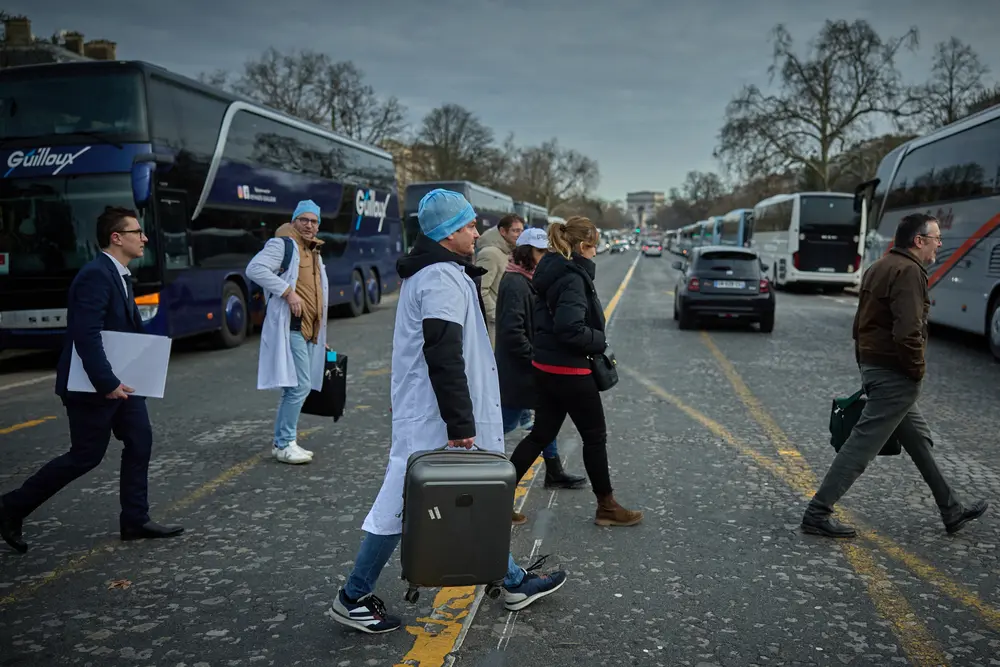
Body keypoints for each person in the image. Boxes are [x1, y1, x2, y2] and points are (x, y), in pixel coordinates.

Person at [330, 189, 566, 634]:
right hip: (437, 417)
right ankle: (352, 595)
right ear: (447, 232)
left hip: (441, 413)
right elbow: (443, 352)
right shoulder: (439, 278)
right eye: (470, 225)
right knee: (404, 505)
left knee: (467, 497)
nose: (478, 231)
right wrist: (460, 423)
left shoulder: (444, 272)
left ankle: (512, 580)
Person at [0, 207, 183, 554]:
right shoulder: (95, 275)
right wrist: (106, 382)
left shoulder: (121, 274)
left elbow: (126, 329)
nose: (144, 238)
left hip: (123, 384)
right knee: (85, 456)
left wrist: (149, 364)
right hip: (94, 387)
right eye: (137, 232)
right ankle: (10, 507)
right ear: (117, 237)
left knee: (139, 440)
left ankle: (135, 519)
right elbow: (86, 333)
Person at [801, 213, 988, 538]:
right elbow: (908, 332)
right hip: (895, 374)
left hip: (877, 366)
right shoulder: (910, 272)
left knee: (920, 441)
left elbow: (861, 323)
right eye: (936, 239)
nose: (939, 245)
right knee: (862, 445)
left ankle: (951, 509)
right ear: (919, 241)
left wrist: (866, 364)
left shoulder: (881, 266)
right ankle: (817, 512)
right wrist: (916, 372)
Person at [508, 217, 643, 528]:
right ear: (582, 247)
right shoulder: (572, 277)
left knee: (541, 434)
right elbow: (570, 329)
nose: (597, 252)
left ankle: (499, 500)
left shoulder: (551, 270)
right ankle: (606, 506)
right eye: (594, 246)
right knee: (594, 437)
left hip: (546, 366)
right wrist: (600, 340)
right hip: (570, 370)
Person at [495, 227, 587, 527]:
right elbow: (512, 333)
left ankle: (554, 470)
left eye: (547, 251)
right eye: (540, 251)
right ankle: (490, 490)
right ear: (525, 252)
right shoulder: (515, 283)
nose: (545, 256)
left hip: (529, 369)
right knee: (499, 430)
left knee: (543, 424)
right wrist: (536, 359)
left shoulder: (528, 280)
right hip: (519, 372)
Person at [246, 200, 330, 465]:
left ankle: (285, 441)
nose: (308, 225)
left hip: (308, 329)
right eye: (303, 219)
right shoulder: (282, 245)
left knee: (296, 386)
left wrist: (321, 334)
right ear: (294, 221)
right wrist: (288, 293)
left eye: (313, 221)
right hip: (291, 327)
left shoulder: (314, 251)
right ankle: (283, 443)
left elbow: (317, 294)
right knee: (300, 386)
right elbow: (254, 268)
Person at [475, 214, 525, 346]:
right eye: (515, 231)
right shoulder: (490, 254)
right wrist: (497, 316)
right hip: (493, 328)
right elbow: (480, 289)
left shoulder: (508, 252)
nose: (520, 235)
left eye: (521, 231)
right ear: (502, 231)